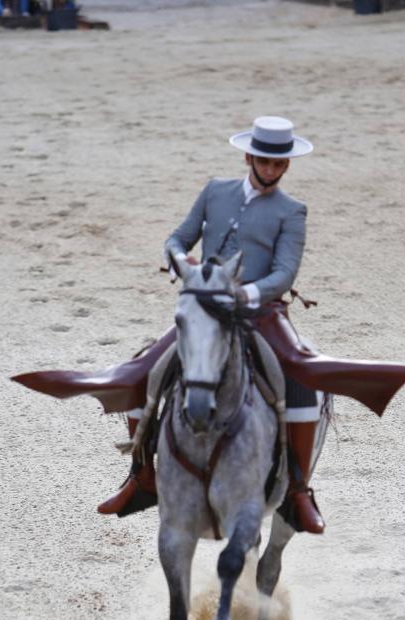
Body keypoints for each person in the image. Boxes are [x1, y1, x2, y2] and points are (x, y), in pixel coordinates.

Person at [98, 116, 326, 534]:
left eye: (279, 164)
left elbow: (285, 272)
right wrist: (179, 260)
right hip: (204, 308)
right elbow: (178, 238)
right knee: (138, 371)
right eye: (265, 161)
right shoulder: (215, 191)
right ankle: (141, 475)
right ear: (249, 157)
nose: (272, 170)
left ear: (287, 165)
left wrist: (246, 295)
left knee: (303, 382)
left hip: (261, 313)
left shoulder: (292, 211)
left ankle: (298, 489)